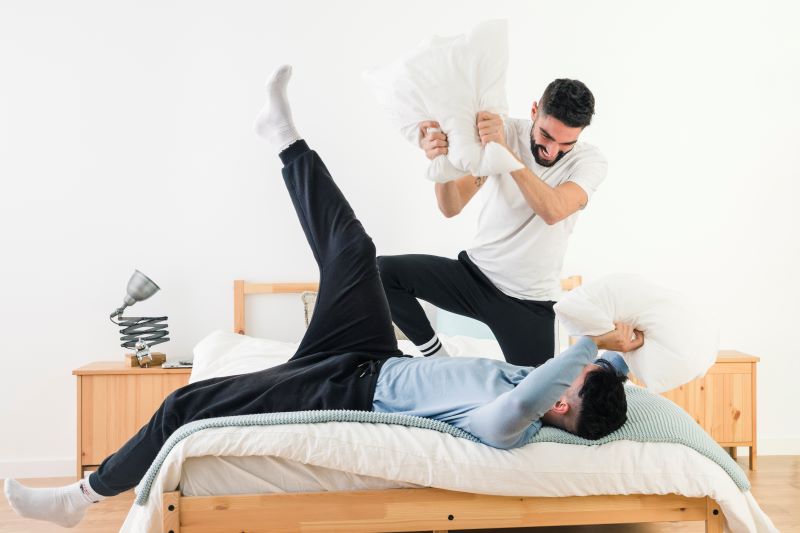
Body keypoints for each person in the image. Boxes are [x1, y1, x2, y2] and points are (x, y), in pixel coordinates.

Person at [4, 66, 641, 529]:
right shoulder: (549, 385)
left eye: (574, 381)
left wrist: (587, 345)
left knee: (186, 404)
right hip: (378, 353)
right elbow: (599, 373)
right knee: (357, 253)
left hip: (349, 389)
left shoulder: (512, 422)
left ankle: (79, 499)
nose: (575, 372)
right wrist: (615, 354)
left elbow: (556, 367)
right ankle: (284, 137)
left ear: (560, 397)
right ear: (536, 113)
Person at [378, 79, 607, 365]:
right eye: (546, 136)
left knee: (537, 405)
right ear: (534, 110)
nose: (552, 150)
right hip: (474, 278)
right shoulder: (504, 132)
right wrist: (442, 164)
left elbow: (553, 210)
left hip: (529, 302)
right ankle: (437, 358)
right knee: (380, 271)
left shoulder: (589, 162)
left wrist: (504, 153)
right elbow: (451, 206)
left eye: (565, 144)